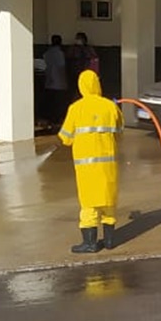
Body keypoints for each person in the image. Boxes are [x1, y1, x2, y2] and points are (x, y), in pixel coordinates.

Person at [58, 69, 123, 253]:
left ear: (82, 86)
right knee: (108, 203)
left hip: (87, 168)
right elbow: (120, 131)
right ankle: (110, 241)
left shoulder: (76, 108)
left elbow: (66, 138)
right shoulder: (110, 106)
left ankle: (90, 243)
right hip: (108, 166)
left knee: (89, 205)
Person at [42, 34, 68, 125]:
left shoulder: (47, 53)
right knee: (58, 103)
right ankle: (57, 120)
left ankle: (51, 119)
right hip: (59, 82)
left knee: (51, 103)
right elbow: (62, 67)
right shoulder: (60, 54)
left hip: (49, 81)